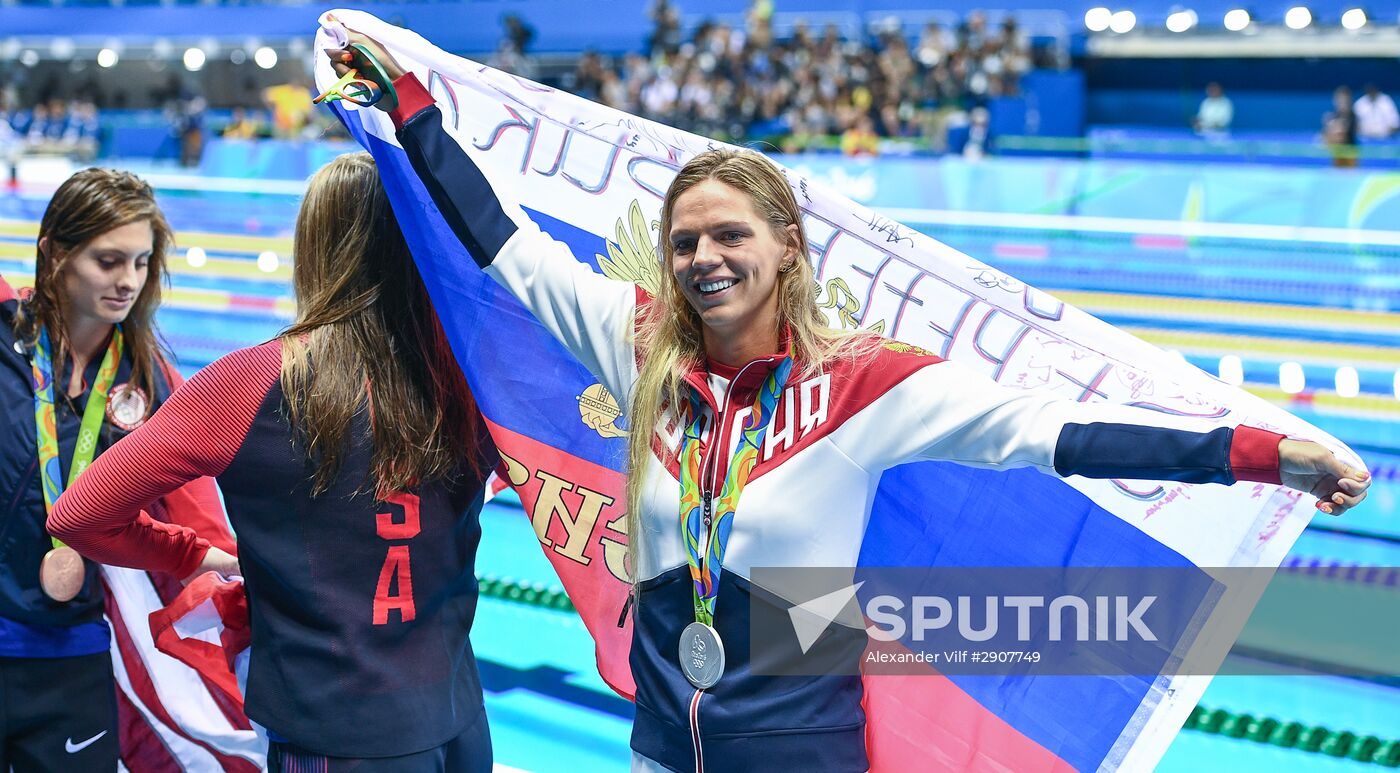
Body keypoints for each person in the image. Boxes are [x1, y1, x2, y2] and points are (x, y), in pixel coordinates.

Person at [333, 35, 1370, 773]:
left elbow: (1057, 436)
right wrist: (412, 104)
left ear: (785, 245)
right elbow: (506, 245)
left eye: (729, 234)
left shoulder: (868, 383)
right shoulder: (635, 341)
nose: (703, 257)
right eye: (685, 239)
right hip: (659, 748)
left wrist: (1262, 452)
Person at [49, 153, 498, 772]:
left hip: (331, 739)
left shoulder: (245, 384)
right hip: (461, 725)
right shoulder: (470, 380)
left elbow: (80, 516)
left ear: (313, 247)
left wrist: (189, 554)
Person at [1, 168, 234, 771]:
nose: (127, 281)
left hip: (72, 653)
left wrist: (238, 567)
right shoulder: (4, 342)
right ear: (54, 252)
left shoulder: (148, 378)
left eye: (140, 262)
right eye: (109, 261)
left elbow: (193, 507)